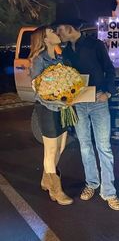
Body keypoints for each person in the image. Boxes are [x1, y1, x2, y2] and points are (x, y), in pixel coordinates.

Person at [54, 8, 119, 211]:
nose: (58, 33)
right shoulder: (65, 51)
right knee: (85, 145)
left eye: (59, 29)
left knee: (104, 147)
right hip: (78, 104)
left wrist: (108, 93)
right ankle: (91, 183)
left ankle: (109, 192)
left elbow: (110, 70)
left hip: (99, 101)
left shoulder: (95, 45)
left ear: (69, 28)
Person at [29, 26, 73, 206]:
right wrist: (54, 92)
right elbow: (37, 87)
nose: (56, 34)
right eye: (52, 32)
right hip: (47, 108)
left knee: (61, 146)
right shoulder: (39, 60)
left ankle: (46, 179)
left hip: (62, 107)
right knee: (51, 150)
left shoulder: (59, 58)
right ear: (45, 39)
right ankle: (56, 190)